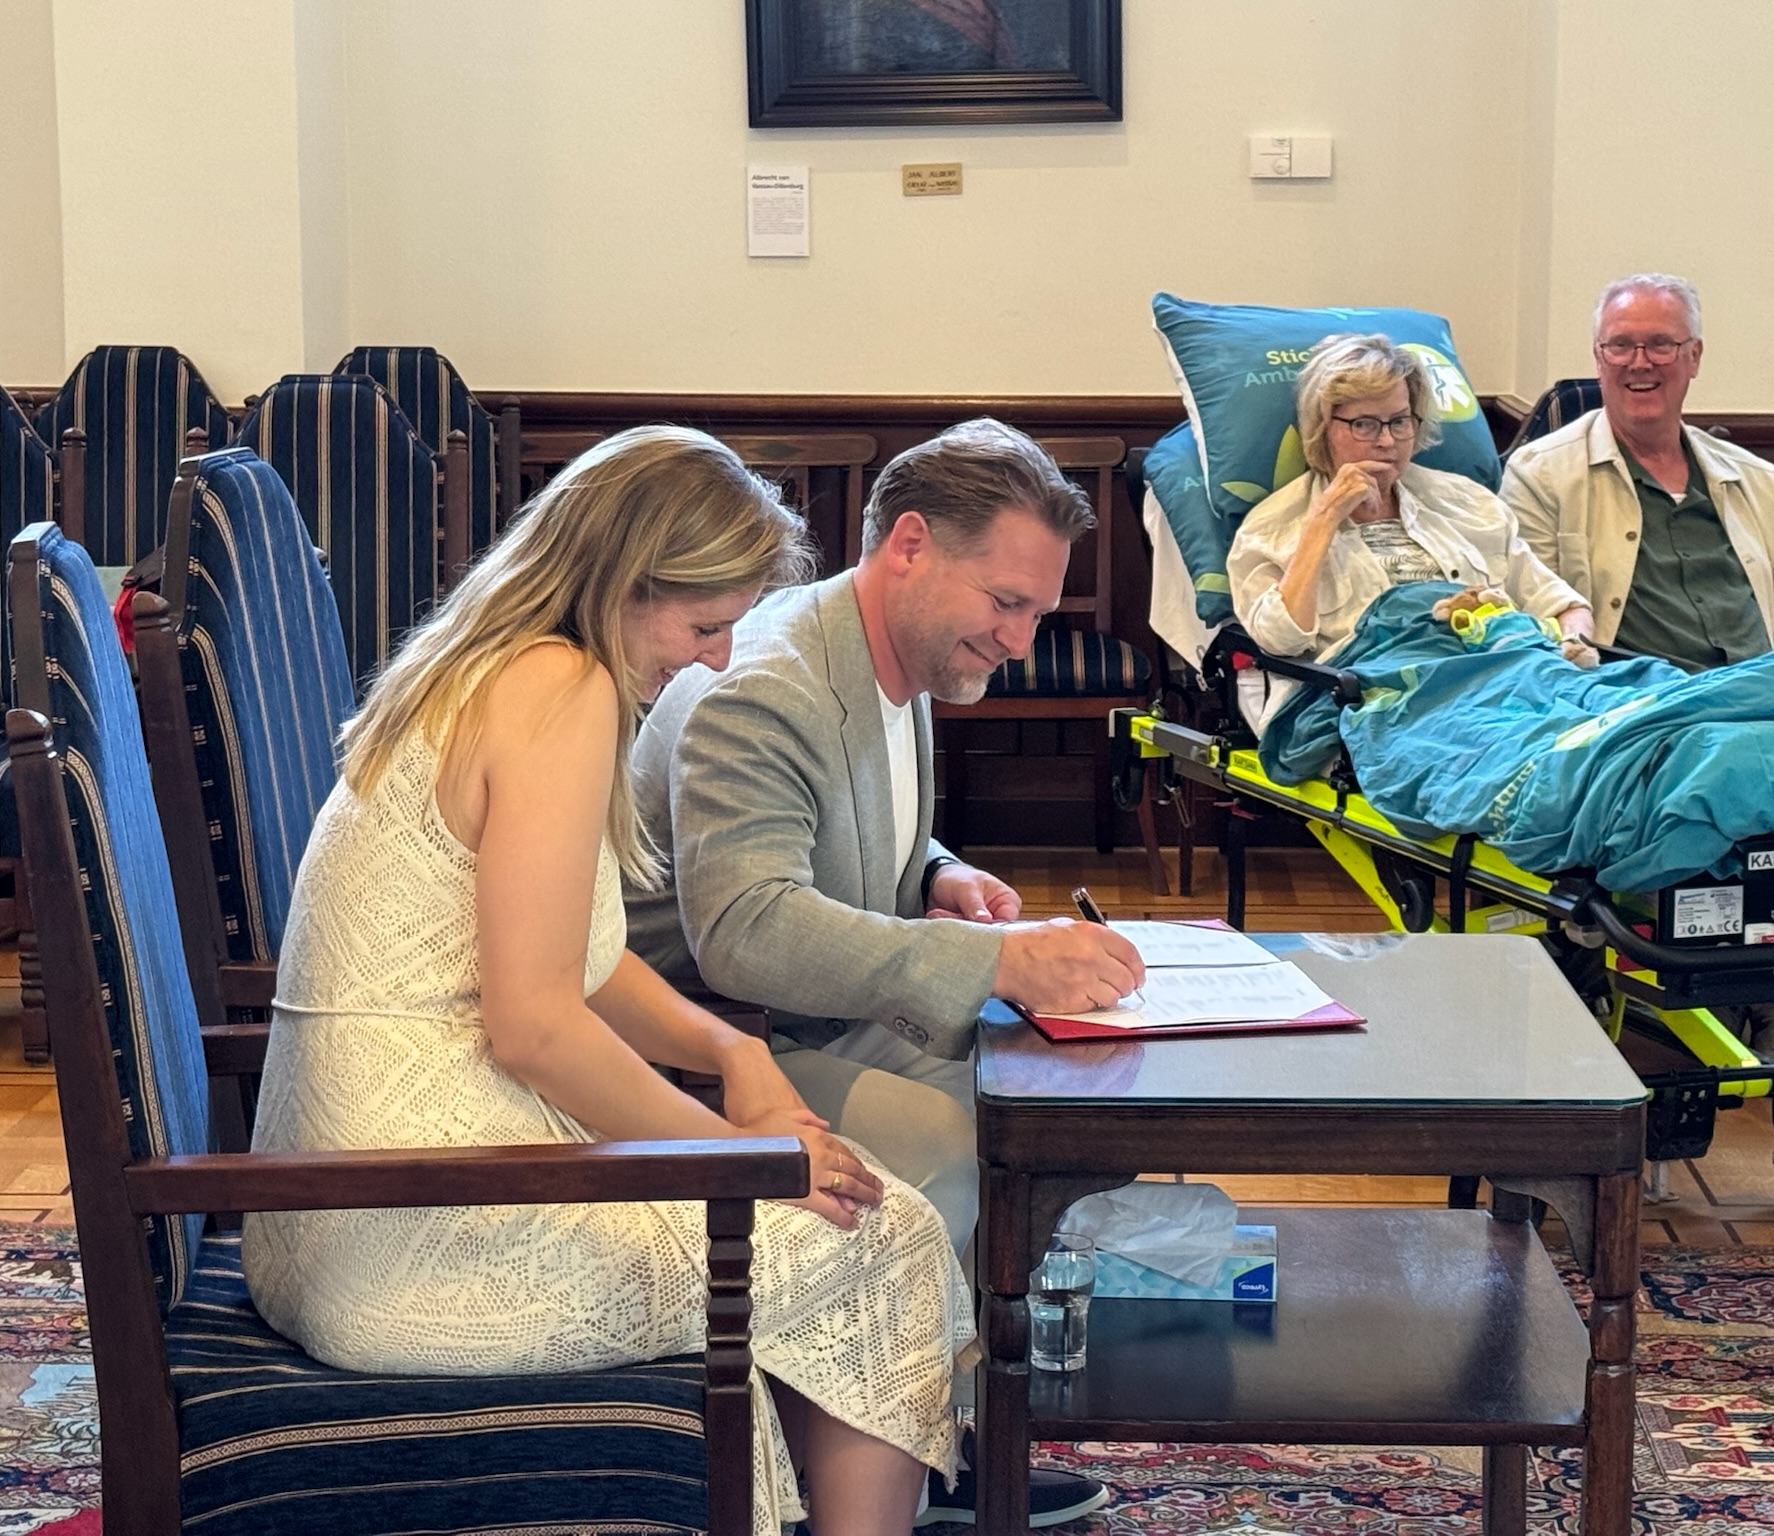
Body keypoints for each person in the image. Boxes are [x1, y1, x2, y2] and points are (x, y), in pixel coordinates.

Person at [242, 425, 974, 1536]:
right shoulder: (558, 685)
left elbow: (575, 957)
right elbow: (537, 1027)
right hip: (416, 1230)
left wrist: (728, 1052)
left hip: (329, 1213)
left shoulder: (493, 661)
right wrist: (739, 1160)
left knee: (843, 1215)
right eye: (704, 626)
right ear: (627, 583)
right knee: (881, 1240)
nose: (715, 660)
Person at [626, 417, 1138, 1528]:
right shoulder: (766, 687)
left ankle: (943, 1441)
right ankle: (865, 1479)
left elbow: (845, 829)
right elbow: (745, 929)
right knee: (948, 1143)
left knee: (1051, 1098)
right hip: (704, 1044)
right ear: (909, 545)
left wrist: (937, 871)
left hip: (800, 1016)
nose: (1019, 640)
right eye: (1005, 602)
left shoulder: (890, 649)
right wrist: (999, 960)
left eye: (1038, 614)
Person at [1226, 332, 1595, 725]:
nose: (1387, 441)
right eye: (1364, 424)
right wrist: (1324, 521)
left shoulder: (1470, 504)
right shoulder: (1273, 526)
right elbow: (1280, 640)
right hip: (1383, 710)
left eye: (1399, 421)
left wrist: (1571, 650)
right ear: (1323, 427)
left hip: (1506, 690)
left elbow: (1564, 606)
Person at [1501, 272, 1774, 670]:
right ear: (1598, 358)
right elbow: (1539, 617)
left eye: (1661, 345)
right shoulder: (1539, 476)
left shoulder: (1758, 479)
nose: (1639, 363)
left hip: (1765, 687)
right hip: (1638, 695)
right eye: (1620, 346)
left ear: (1694, 356)